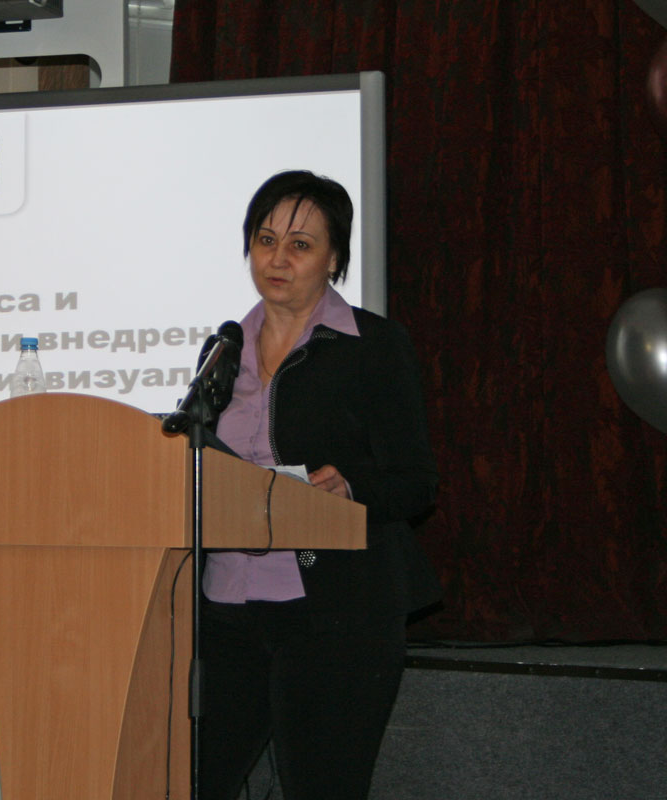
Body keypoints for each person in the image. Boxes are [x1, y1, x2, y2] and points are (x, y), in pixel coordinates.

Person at [199, 170, 440, 800]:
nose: (277, 258)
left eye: (300, 245)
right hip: (226, 610)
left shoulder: (372, 346)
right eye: (265, 239)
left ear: (334, 259)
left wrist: (351, 489)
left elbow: (416, 482)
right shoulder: (222, 351)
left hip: (334, 614)